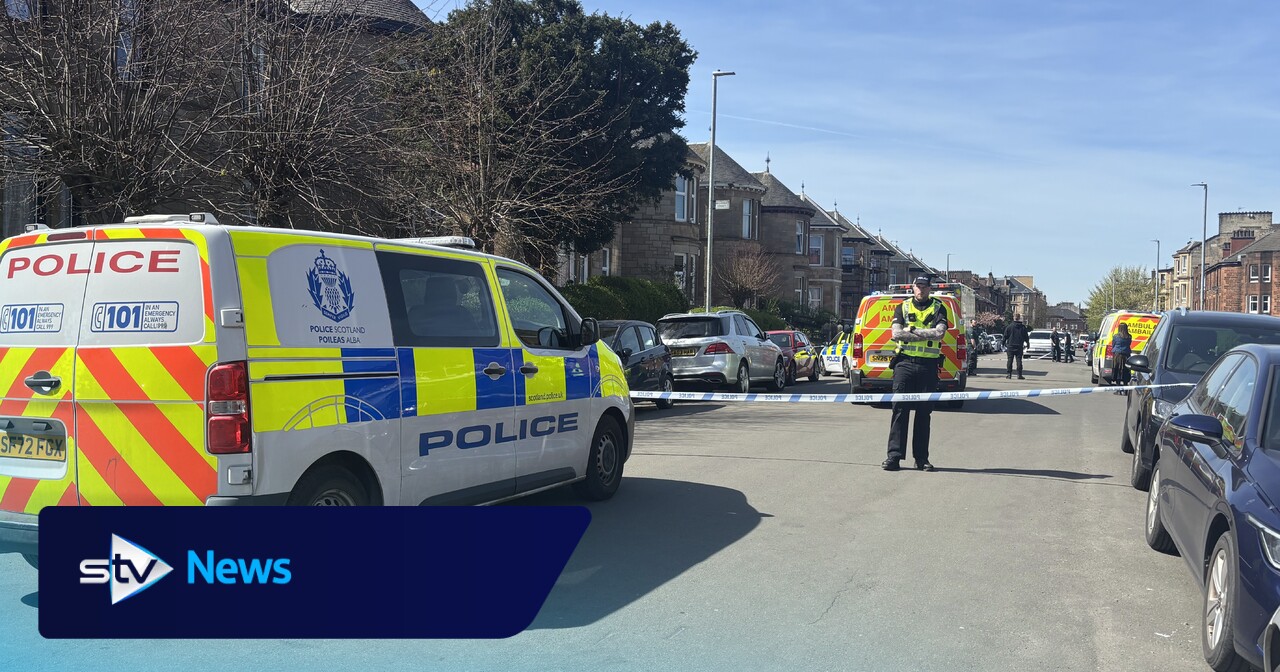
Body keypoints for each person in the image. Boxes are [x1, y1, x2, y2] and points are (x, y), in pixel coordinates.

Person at [882, 277, 949, 472]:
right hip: (904, 364)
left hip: (928, 366)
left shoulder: (939, 307)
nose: (920, 290)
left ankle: (921, 459)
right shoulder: (902, 307)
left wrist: (911, 330)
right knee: (899, 411)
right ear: (913, 288)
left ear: (930, 288)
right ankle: (894, 457)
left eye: (924, 286)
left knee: (923, 413)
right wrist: (923, 333)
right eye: (917, 286)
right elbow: (896, 334)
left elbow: (940, 334)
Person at [1003, 315, 1030, 379]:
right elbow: (1026, 336)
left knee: (1010, 360)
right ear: (1019, 319)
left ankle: (1009, 374)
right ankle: (1019, 375)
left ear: (1014, 318)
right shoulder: (1023, 327)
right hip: (1019, 346)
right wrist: (1028, 343)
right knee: (1019, 361)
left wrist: (1003, 343)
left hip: (1010, 346)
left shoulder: (1009, 327)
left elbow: (1005, 336)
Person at [1111, 323, 1133, 394]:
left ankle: (1118, 390)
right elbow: (1129, 344)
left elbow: (1113, 345)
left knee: (1118, 372)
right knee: (1125, 372)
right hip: (1126, 356)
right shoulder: (1129, 336)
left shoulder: (1116, 336)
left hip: (1118, 356)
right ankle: (1126, 390)